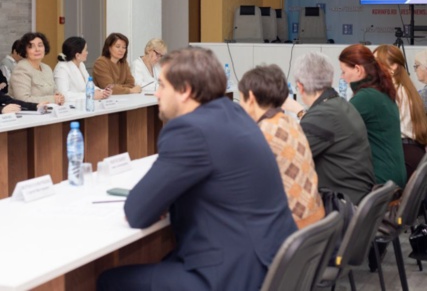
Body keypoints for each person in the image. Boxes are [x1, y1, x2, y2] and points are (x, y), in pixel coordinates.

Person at [97, 47, 297, 291]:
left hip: (231, 275)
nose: (157, 94)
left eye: (162, 85)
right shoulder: (234, 113)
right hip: (273, 262)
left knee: (108, 281)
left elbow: (137, 211)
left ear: (185, 91)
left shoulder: (190, 130)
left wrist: (161, 200)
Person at [238, 64, 325, 229]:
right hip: (315, 223)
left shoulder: (262, 133)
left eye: (241, 100)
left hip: (291, 229)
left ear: (251, 97)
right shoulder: (290, 122)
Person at [283, 52, 375, 206]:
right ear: (330, 80)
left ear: (300, 87)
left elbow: (286, 159)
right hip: (357, 198)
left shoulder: (322, 116)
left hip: (342, 206)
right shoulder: (341, 105)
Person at [339, 44, 406, 188]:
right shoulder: (380, 92)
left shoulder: (366, 97)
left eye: (343, 72)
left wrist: (300, 111)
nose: (342, 77)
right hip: (392, 176)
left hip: (381, 179)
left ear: (358, 70)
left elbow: (334, 126)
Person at [374, 45, 427, 179]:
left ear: (393, 67)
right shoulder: (407, 89)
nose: (372, 69)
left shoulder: (394, 92)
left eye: (377, 64)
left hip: (402, 155)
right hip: (413, 153)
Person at [9, 32, 65, 104]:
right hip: (27, 110)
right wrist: (52, 99)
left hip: (49, 109)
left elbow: (54, 90)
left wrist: (59, 96)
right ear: (25, 51)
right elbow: (22, 99)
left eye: (40, 45)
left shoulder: (47, 68)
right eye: (31, 47)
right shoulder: (21, 69)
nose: (37, 49)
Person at [54, 36, 111, 102]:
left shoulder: (81, 65)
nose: (87, 52)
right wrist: (90, 95)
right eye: (85, 50)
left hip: (84, 103)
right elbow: (63, 95)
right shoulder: (61, 69)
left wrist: (103, 92)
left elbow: (89, 86)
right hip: (70, 106)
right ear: (77, 55)